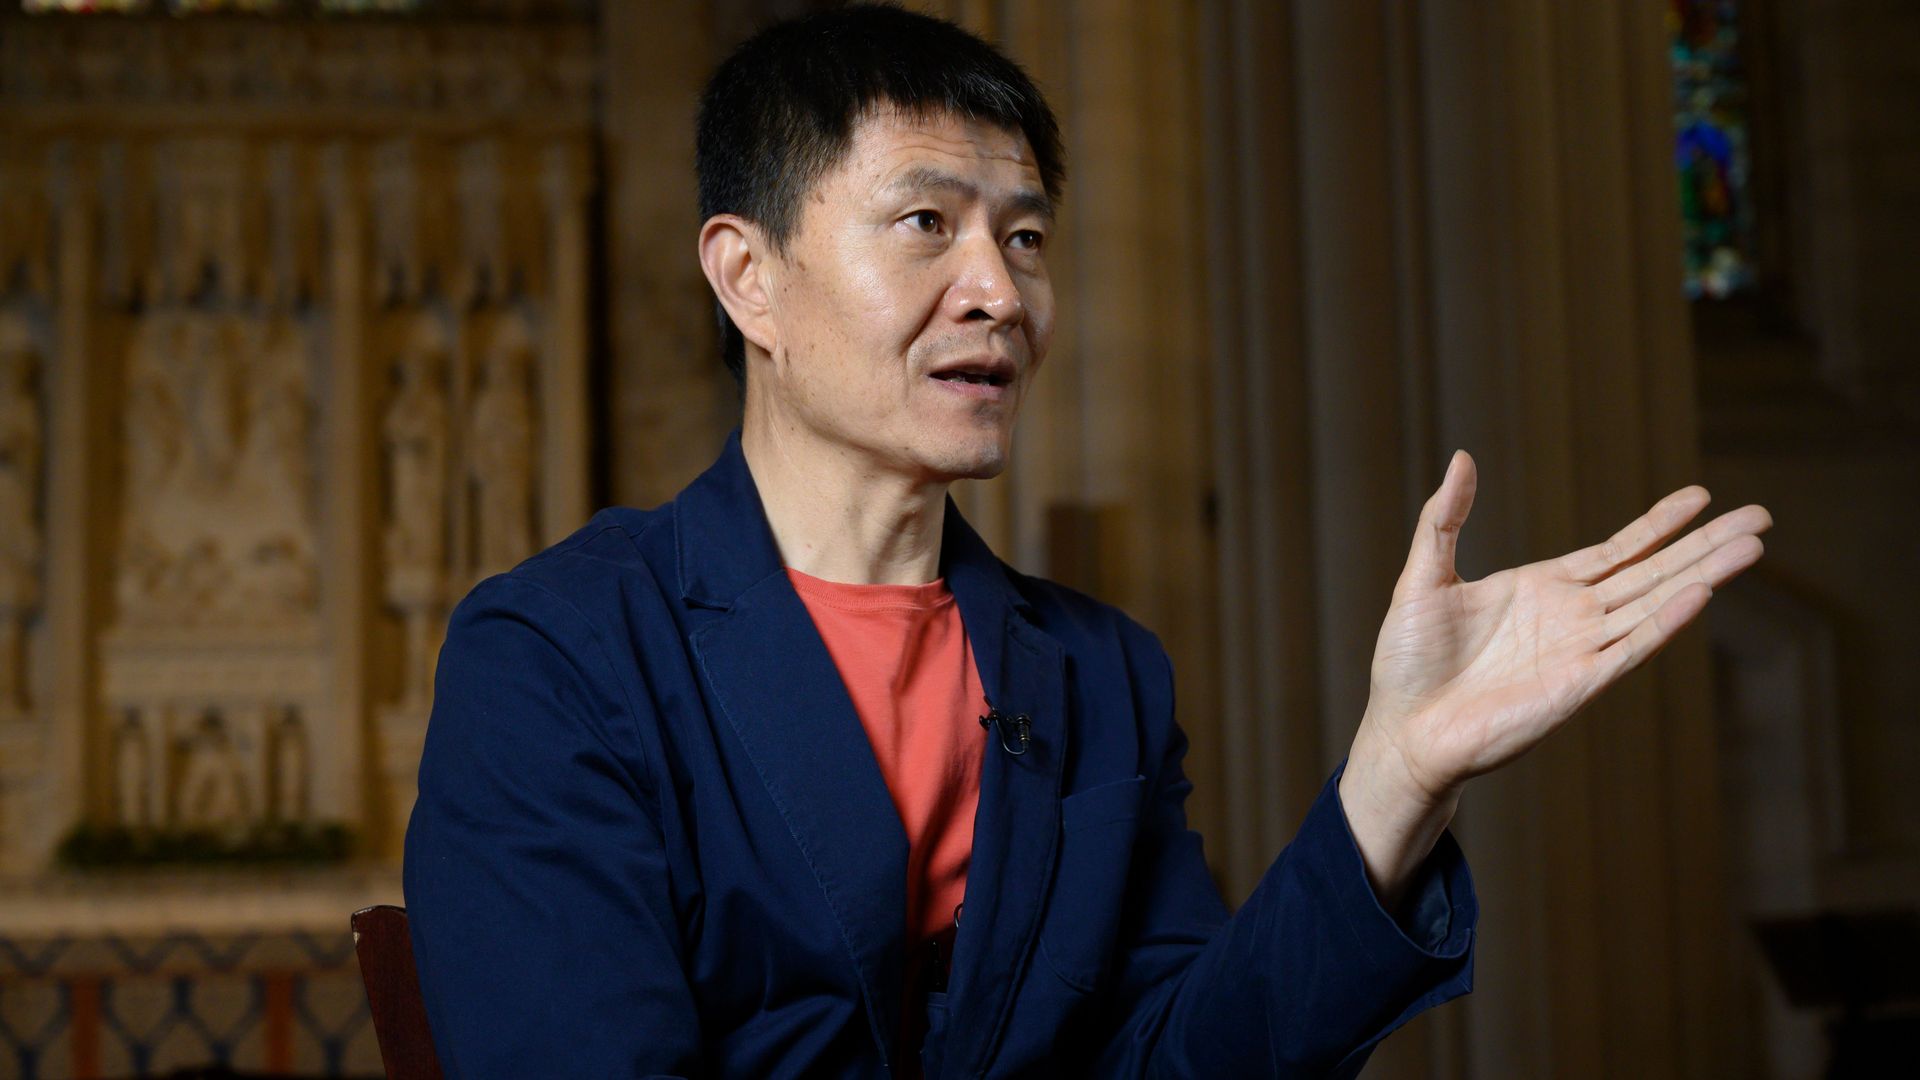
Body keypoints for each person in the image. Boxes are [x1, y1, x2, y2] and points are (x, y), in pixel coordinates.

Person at [402, 6, 1773, 1077]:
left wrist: (1393, 780)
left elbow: (1192, 1061)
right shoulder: (561, 655)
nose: (998, 290)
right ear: (747, 276)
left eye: (1029, 236)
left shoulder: (1102, 675)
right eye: (927, 223)